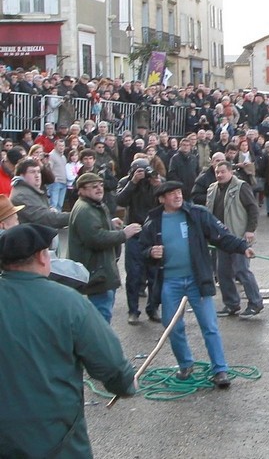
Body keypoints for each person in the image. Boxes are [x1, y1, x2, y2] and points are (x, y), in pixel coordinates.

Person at [0, 224, 136, 457]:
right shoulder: (69, 302)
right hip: (55, 437)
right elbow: (109, 362)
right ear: (42, 257)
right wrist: (124, 384)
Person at [139, 181, 256, 388]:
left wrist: (242, 247)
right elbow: (141, 250)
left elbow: (222, 236)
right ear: (161, 199)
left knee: (209, 325)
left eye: (179, 192)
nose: (177, 196)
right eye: (172, 194)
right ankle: (185, 364)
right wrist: (150, 252)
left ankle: (220, 370)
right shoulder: (153, 220)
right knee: (172, 326)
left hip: (196, 279)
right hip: (170, 281)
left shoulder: (197, 214)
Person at [68, 172, 142, 323]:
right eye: (93, 186)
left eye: (101, 185)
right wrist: (123, 234)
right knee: (101, 318)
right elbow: (96, 238)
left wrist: (110, 223)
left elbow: (96, 228)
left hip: (101, 270)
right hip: (98, 273)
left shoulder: (93, 205)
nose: (99, 189)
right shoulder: (85, 209)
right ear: (81, 190)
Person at [207, 161, 263, 318]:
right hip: (221, 239)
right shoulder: (212, 189)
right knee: (223, 272)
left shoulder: (241, 186)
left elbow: (253, 208)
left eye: (222, 172)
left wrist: (250, 229)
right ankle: (231, 304)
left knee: (242, 270)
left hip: (238, 237)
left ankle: (255, 303)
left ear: (230, 171)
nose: (219, 175)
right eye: (217, 172)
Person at [116, 157, 165, 324]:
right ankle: (133, 310)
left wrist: (158, 186)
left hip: (153, 233)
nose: (143, 174)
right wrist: (133, 182)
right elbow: (120, 201)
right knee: (134, 275)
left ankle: (153, 308)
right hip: (135, 233)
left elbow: (165, 201)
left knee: (155, 274)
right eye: (139, 171)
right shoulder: (126, 181)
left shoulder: (155, 180)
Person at [11, 157, 70, 229]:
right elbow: (44, 218)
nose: (37, 175)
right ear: (21, 175)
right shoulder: (22, 195)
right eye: (32, 172)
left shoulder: (31, 189)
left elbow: (50, 179)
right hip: (31, 237)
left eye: (38, 172)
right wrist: (74, 216)